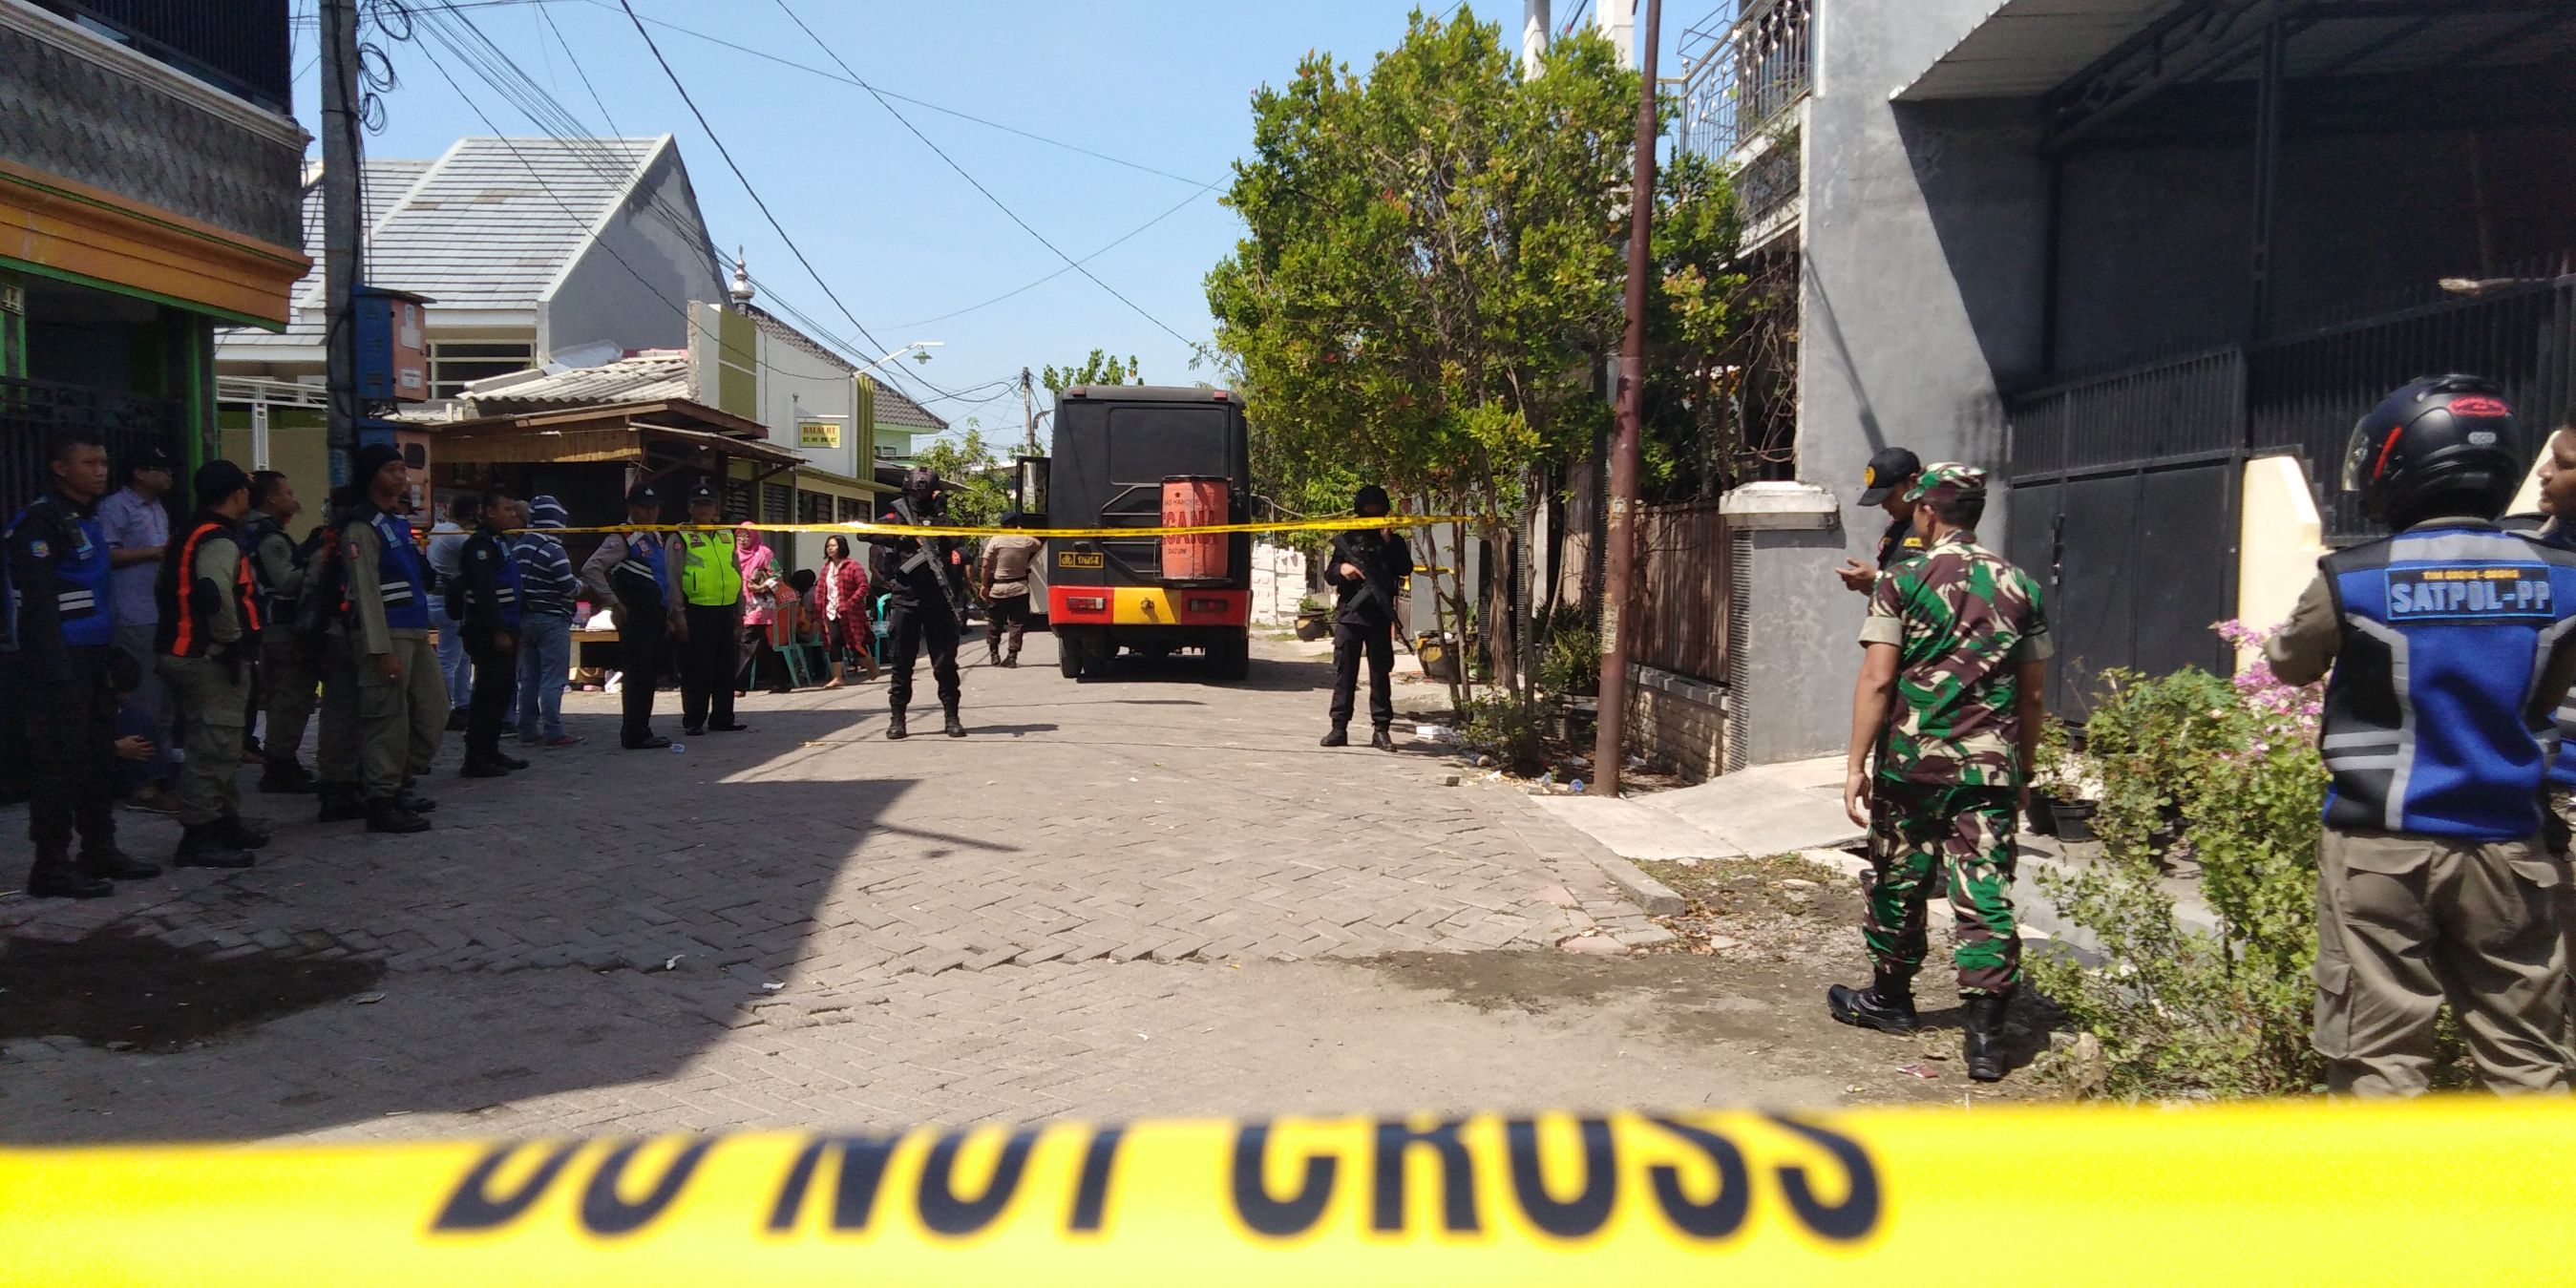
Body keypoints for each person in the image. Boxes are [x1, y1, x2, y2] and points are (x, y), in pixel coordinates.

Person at [2265, 376, 2576, 1097]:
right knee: (2529, 1057)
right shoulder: (2564, 579)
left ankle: (2393, 1206)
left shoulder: (2353, 578)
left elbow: (2289, 664)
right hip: (2512, 847)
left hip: (2380, 850)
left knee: (2378, 1055)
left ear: (2399, 467)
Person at [1829, 463, 2049, 1083]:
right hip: (1990, 768)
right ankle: (1985, 1039)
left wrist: (1854, 765)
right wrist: (2024, 767)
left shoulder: (1902, 579)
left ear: (1927, 511)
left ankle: (1890, 999)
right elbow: (2032, 695)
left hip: (1912, 764)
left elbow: (1877, 677)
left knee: (1901, 876)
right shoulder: (2022, 586)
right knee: (1983, 891)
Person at [4, 430, 158, 897]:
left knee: (97, 758)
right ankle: (50, 867)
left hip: (92, 660)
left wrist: (111, 659)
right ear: (60, 468)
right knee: (61, 765)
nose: (100, 471)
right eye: (90, 463)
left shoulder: (86, 520)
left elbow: (95, 596)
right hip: (58, 663)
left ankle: (99, 850)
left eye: (104, 463)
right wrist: (57, 674)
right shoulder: (40, 524)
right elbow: (36, 607)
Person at [153, 459, 267, 870]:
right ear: (237, 494)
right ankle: (199, 836)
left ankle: (224, 822)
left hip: (183, 651)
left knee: (219, 741)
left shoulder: (189, 532)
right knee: (214, 746)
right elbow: (213, 590)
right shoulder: (219, 539)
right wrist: (231, 641)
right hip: (206, 657)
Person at [341, 443, 441, 833]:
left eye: (403, 470)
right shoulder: (360, 526)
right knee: (387, 718)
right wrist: (380, 649)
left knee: (434, 712)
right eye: (391, 470)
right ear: (371, 476)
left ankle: (399, 781)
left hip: (415, 628)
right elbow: (365, 591)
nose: (400, 478)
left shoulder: (398, 522)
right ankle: (382, 798)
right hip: (387, 634)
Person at [96, 442, 179, 813]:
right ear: (139, 473)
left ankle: (159, 773)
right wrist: (156, 552)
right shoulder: (116, 507)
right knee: (142, 700)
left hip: (158, 612)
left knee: (163, 700)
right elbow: (105, 554)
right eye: (159, 469)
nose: (168, 476)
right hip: (132, 614)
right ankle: (140, 784)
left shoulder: (157, 508)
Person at [874, 466, 968, 739]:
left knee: (945, 663)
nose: (922, 494)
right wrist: (900, 536)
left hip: (938, 598)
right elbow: (865, 533)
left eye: (926, 490)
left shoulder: (942, 517)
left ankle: (951, 717)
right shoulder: (896, 514)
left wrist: (943, 522)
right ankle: (898, 719)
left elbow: (958, 544)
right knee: (902, 662)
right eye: (918, 489)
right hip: (906, 597)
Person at [581, 481, 674, 750]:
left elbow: (660, 578)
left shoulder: (654, 536)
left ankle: (643, 729)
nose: (650, 513)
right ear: (631, 508)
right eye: (644, 508)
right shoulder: (622, 538)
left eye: (654, 507)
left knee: (649, 674)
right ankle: (634, 732)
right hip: (634, 616)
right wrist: (613, 602)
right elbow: (591, 569)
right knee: (637, 673)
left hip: (655, 615)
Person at [242, 470, 319, 793]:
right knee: (291, 696)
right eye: (286, 492)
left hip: (267, 627)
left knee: (283, 696)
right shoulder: (268, 536)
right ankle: (280, 763)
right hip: (282, 628)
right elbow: (285, 581)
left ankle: (280, 760)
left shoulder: (252, 530)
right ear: (271, 498)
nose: (293, 498)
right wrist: (316, 561)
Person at [1321, 483, 1412, 750]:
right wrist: (1343, 568)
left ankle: (1381, 730)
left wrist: (1387, 544)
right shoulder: (1347, 540)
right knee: (1344, 674)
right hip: (1350, 615)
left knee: (1380, 674)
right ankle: (1339, 728)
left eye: (1377, 510)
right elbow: (1329, 574)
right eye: (1367, 510)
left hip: (1379, 616)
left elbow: (1405, 568)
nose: (1372, 515)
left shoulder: (1392, 542)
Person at [453, 490, 528, 778]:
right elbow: (484, 591)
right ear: (490, 512)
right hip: (487, 630)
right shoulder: (480, 546)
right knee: (488, 692)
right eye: (507, 509)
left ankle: (491, 750)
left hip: (508, 626)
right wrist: (498, 629)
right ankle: (476, 756)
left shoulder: (500, 542)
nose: (513, 514)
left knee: (502, 691)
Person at [666, 481, 749, 736]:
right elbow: (673, 578)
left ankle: (723, 718)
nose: (703, 509)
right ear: (690, 508)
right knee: (696, 668)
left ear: (716, 508)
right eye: (698, 504)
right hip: (696, 609)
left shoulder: (726, 535)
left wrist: (740, 611)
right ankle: (694, 719)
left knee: (726, 666)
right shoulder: (680, 537)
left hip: (725, 610)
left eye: (708, 504)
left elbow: (737, 572)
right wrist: (677, 615)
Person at [512, 495, 583, 750]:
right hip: (552, 619)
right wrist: (580, 586)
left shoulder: (518, 547)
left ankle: (527, 730)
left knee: (529, 678)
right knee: (553, 679)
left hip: (525, 619)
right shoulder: (554, 550)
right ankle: (554, 730)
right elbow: (567, 587)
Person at [1835, 446, 1925, 595]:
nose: (1884, 505)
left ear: (1912, 482)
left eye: (1889, 496)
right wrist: (1868, 584)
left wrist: (1878, 579)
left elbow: (1934, 591)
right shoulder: (1897, 527)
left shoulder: (1934, 528)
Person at [425, 493, 479, 733]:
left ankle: (462, 704)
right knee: (449, 659)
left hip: (433, 596)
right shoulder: (459, 536)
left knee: (461, 657)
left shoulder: (438, 530)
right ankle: (445, 709)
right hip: (450, 600)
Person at [978, 511, 1043, 668]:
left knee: (995, 623)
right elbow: (1039, 545)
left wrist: (984, 585)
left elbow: (986, 565)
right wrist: (1022, 532)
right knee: (1017, 624)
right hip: (1019, 588)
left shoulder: (996, 540)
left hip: (998, 589)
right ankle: (1012, 656)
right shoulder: (1025, 540)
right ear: (1017, 525)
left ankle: (994, 654)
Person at [735, 524, 791, 694]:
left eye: (747, 536)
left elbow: (777, 576)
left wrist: (761, 587)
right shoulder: (733, 553)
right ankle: (780, 681)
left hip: (760, 604)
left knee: (746, 641)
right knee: (761, 646)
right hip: (740, 602)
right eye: (740, 536)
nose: (743, 540)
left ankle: (737, 685)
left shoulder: (764, 553)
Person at [815, 533, 876, 686]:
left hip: (850, 613)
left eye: (833, 545)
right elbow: (821, 590)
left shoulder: (853, 566)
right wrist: (819, 606)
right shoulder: (826, 568)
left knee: (855, 643)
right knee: (834, 642)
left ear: (841, 547)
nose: (830, 548)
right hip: (830, 611)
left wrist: (850, 603)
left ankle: (869, 663)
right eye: (828, 546)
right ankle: (837, 677)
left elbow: (863, 586)